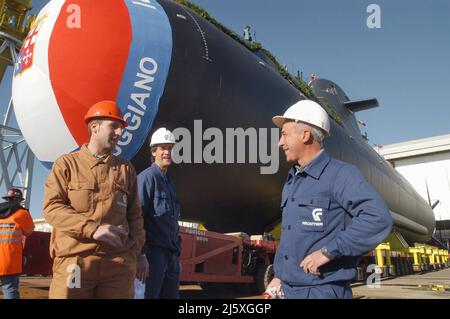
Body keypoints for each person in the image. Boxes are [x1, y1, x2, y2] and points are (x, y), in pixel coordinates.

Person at [268, 99, 393, 299]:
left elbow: (378, 218)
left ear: (305, 135)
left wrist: (328, 252)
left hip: (323, 290)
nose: (280, 143)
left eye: (284, 135)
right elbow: (292, 237)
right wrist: (280, 276)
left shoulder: (341, 175)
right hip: (289, 290)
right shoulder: (293, 180)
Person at [43, 100, 147, 299]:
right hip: (76, 260)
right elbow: (52, 208)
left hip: (118, 264)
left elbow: (135, 216)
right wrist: (92, 229)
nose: (119, 133)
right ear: (94, 126)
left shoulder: (126, 169)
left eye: (121, 128)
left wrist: (137, 253)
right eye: (114, 126)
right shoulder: (67, 164)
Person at [137, 128, 181, 299]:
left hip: (170, 255)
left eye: (170, 148)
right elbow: (136, 216)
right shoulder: (147, 178)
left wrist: (177, 254)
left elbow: (172, 221)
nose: (167, 152)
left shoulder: (170, 183)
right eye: (163, 148)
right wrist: (140, 254)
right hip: (152, 254)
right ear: (153, 151)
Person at [0, 188, 34, 299]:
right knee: (10, 289)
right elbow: (29, 231)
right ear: (18, 200)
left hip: (7, 260)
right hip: (9, 260)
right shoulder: (22, 213)